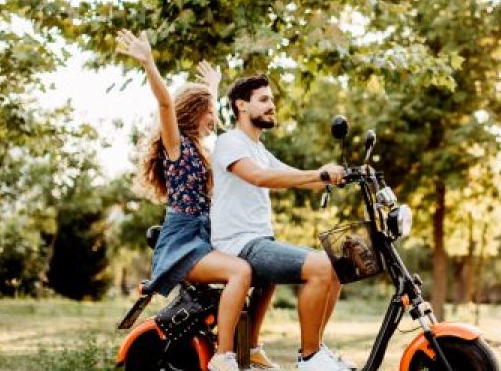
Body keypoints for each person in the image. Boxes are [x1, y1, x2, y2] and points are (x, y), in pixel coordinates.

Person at [115, 30, 252, 371]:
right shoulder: (176, 147)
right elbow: (165, 103)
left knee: (256, 271)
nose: (214, 119)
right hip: (183, 244)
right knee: (240, 272)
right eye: (209, 110)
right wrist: (148, 62)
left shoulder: (202, 149)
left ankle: (246, 352)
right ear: (193, 112)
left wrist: (214, 88)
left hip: (204, 237)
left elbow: (216, 122)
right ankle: (224, 356)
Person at [209, 75, 352, 370]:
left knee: (338, 265)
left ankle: (317, 350)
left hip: (260, 242)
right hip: (239, 244)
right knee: (323, 266)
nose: (272, 105)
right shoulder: (229, 142)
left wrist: (341, 175)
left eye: (272, 100)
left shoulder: (260, 150)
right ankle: (310, 358)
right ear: (241, 105)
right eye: (263, 100)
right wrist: (319, 174)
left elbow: (295, 177)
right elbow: (261, 177)